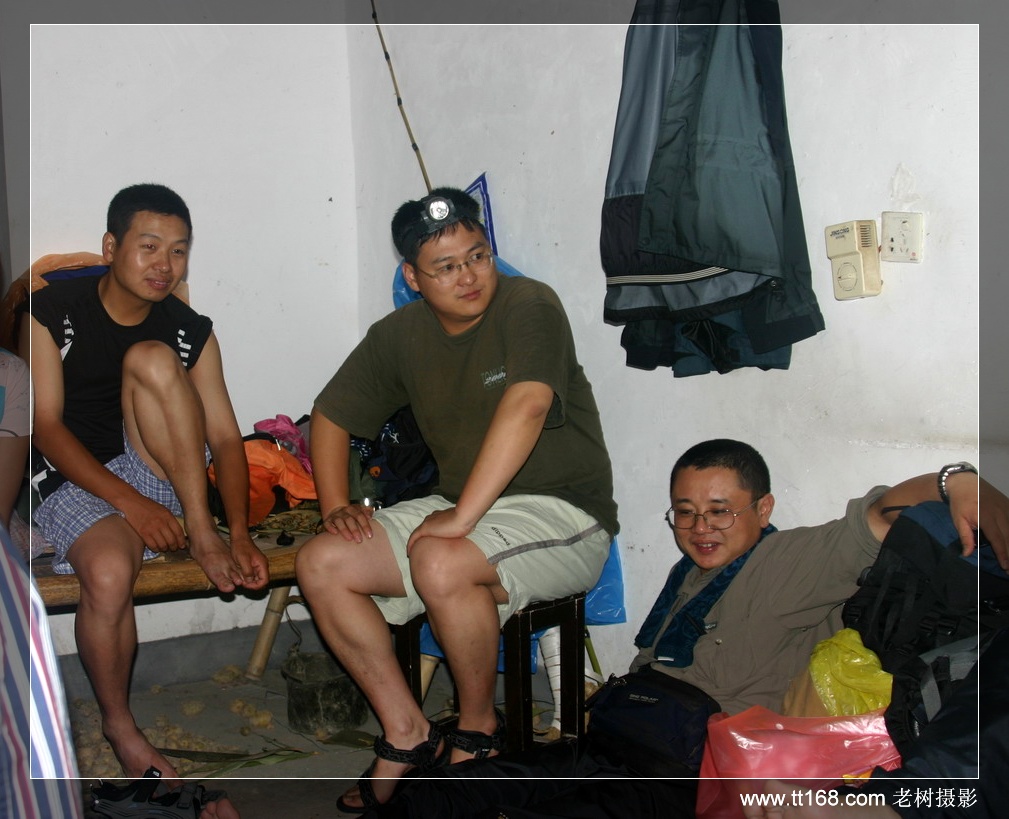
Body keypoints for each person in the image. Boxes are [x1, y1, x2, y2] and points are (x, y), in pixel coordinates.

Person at [365, 439, 1008, 819]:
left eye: (721, 512)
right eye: (686, 513)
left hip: (684, 770)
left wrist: (957, 480)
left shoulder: (793, 560)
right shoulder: (692, 571)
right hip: (612, 741)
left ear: (764, 508)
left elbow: (884, 514)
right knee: (436, 796)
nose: (701, 529)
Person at [295, 186, 618, 812]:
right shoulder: (400, 334)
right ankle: (407, 732)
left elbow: (529, 403)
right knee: (322, 561)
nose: (468, 276)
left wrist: (461, 518)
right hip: (464, 504)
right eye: (445, 267)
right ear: (412, 278)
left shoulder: (529, 304)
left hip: (564, 510)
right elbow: (330, 414)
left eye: (477, 256)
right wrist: (335, 504)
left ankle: (477, 730)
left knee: (441, 559)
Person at [22, 183, 269, 782]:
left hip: (163, 475)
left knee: (154, 358)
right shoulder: (50, 313)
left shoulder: (189, 329)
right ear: (112, 247)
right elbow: (45, 427)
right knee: (108, 573)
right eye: (150, 246)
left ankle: (202, 532)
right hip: (72, 479)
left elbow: (226, 439)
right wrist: (130, 506)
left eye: (179, 251)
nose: (165, 264)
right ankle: (121, 726)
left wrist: (237, 533)